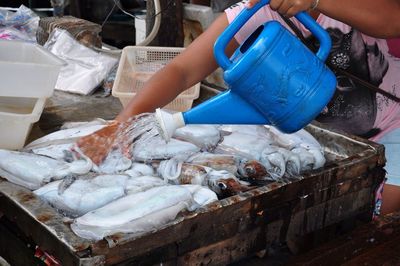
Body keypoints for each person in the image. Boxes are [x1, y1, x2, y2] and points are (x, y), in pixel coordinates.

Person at [77, 0, 400, 214]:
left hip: (393, 129)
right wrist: (121, 124)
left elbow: (392, 21)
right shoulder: (254, 11)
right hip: (315, 139)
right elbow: (182, 70)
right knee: (313, 214)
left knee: (371, 214)